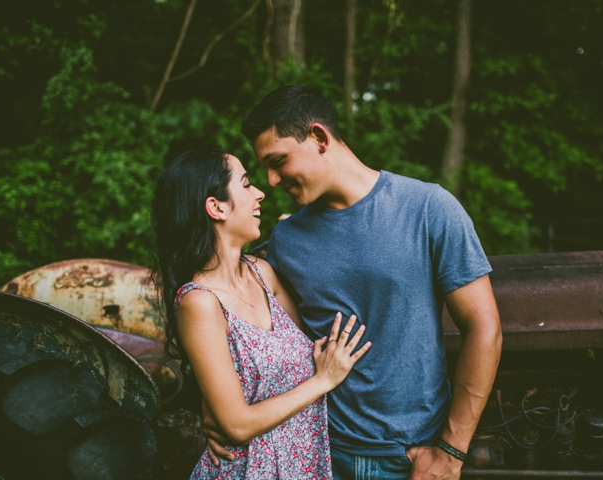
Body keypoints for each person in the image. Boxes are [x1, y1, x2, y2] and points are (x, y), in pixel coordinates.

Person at [205, 85, 502, 480]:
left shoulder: (429, 208)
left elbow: (484, 329)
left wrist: (450, 451)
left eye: (278, 161)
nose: (272, 181)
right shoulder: (286, 241)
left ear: (319, 138)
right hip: (315, 453)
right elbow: (230, 315)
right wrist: (212, 408)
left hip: (411, 459)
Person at [151, 147, 372, 479]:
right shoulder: (199, 302)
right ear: (216, 207)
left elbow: (310, 346)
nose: (260, 193)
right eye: (245, 184)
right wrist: (322, 381)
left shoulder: (262, 273)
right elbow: (237, 425)